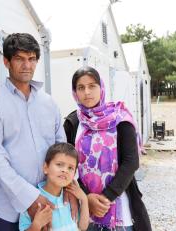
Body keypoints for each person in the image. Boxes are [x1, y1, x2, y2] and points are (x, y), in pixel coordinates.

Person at [0, 33, 67, 231]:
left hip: (49, 201)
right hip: (6, 208)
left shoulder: (48, 103)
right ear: (6, 61)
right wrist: (31, 198)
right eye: (19, 59)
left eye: (32, 59)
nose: (27, 65)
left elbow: (62, 151)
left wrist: (64, 190)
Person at [63, 66, 152, 231]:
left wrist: (106, 198)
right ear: (75, 92)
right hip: (84, 210)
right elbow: (67, 165)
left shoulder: (120, 118)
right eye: (81, 88)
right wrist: (87, 197)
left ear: (101, 87)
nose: (87, 92)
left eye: (92, 86)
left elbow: (131, 162)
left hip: (119, 211)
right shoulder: (73, 122)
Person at [19, 143, 89, 231]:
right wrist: (36, 225)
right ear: (46, 167)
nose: (65, 170)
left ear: (74, 174)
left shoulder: (73, 195)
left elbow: (82, 227)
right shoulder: (34, 199)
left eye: (70, 168)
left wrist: (84, 200)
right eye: (59, 164)